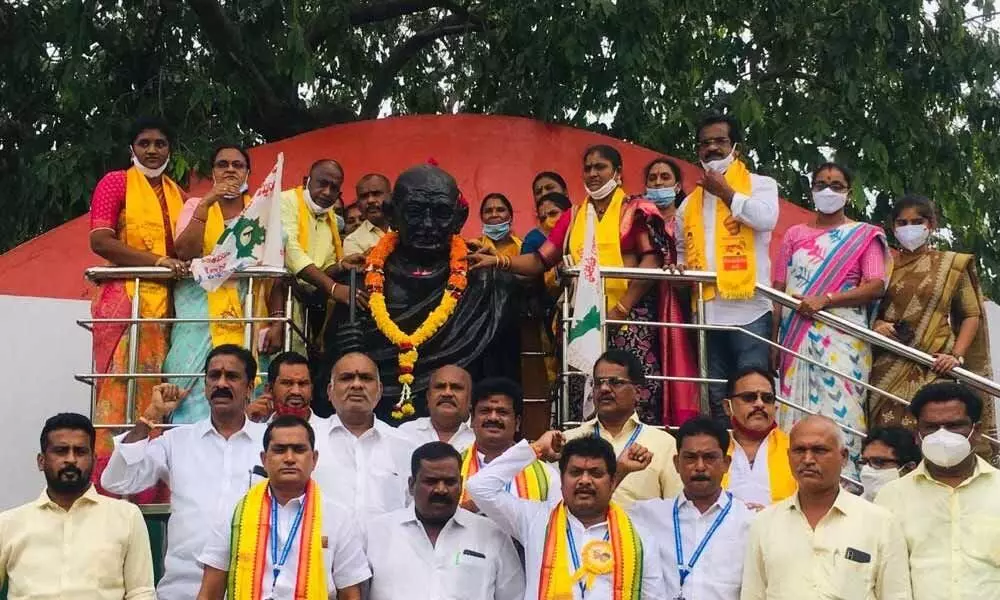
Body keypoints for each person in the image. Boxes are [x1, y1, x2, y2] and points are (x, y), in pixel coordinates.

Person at [471, 145, 682, 424]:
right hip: (583, 322)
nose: (593, 173)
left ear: (617, 173)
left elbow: (652, 261)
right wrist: (499, 260)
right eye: (588, 168)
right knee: (582, 397)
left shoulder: (635, 210)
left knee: (630, 395)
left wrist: (620, 309)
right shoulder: (573, 216)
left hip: (631, 321)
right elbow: (539, 260)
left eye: (601, 167)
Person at [328, 165, 520, 421]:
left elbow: (501, 383)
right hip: (375, 425)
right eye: (415, 212)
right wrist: (344, 349)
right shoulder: (360, 283)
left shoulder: (487, 284)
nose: (428, 224)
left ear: (459, 218)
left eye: (441, 213)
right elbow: (325, 383)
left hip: (459, 430)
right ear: (392, 215)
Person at [100, 344, 267, 600]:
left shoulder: (271, 444)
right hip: (183, 587)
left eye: (231, 376)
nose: (221, 383)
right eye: (214, 376)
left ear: (249, 388)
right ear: (205, 385)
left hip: (253, 587)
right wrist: (151, 414)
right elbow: (118, 481)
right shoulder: (177, 441)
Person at [773, 162, 890, 475]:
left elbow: (876, 285)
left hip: (843, 337)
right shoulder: (794, 235)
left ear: (848, 193)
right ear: (811, 190)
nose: (828, 190)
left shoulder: (863, 235)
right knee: (793, 412)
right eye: (821, 184)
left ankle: (847, 481)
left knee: (845, 411)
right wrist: (774, 344)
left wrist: (825, 300)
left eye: (836, 185)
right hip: (794, 336)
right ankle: (793, 481)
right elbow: (779, 290)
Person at [466, 432, 668, 599]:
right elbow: (479, 487)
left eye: (596, 473)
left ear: (613, 482)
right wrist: (536, 448)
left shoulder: (639, 537)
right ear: (561, 481)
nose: (585, 481)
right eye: (575, 472)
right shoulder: (535, 520)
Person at [88, 116, 187, 455]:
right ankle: (107, 471)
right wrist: (157, 262)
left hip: (169, 307)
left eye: (160, 144)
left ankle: (150, 476)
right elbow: (100, 241)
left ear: (169, 150)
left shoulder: (179, 195)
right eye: (144, 143)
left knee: (158, 387)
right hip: (125, 300)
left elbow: (188, 247)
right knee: (120, 387)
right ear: (132, 148)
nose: (152, 150)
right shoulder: (115, 183)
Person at [675, 113, 779, 427]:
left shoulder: (760, 185)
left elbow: (766, 219)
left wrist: (726, 193)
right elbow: (682, 249)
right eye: (705, 143)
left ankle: (758, 459)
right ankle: (726, 460)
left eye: (720, 141)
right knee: (716, 400)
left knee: (753, 393)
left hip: (750, 311)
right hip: (707, 314)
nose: (712, 149)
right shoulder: (688, 204)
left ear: (736, 146)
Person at [165, 145, 283, 422]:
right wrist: (207, 203)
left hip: (249, 320)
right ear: (213, 172)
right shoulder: (195, 205)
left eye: (238, 165)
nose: (230, 169)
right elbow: (185, 252)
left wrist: (277, 321)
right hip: (197, 320)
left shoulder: (262, 211)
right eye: (222, 164)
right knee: (190, 388)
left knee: (243, 386)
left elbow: (276, 272)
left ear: (248, 173)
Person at [196, 416, 370, 600]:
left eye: (299, 450)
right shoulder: (235, 512)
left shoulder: (338, 517)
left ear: (314, 459)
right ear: (264, 459)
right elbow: (210, 592)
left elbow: (350, 594)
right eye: (279, 450)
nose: (289, 458)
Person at [870, 195, 996, 449]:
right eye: (902, 222)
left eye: (917, 221)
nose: (909, 228)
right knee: (889, 440)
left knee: (937, 436)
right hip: (887, 364)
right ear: (893, 228)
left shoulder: (949, 264)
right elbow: (867, 309)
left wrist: (957, 356)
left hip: (935, 366)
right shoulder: (882, 266)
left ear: (931, 224)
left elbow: (971, 313)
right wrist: (876, 325)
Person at [741, 415, 911, 600]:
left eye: (819, 450)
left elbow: (896, 595)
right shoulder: (765, 523)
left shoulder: (880, 523)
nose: (807, 459)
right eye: (799, 450)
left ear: (843, 457)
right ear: (788, 456)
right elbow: (753, 594)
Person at [0, 413, 154, 600]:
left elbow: (141, 592)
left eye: (80, 452)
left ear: (94, 460)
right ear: (41, 461)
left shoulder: (126, 516)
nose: (71, 459)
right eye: (61, 451)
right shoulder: (8, 524)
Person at [875, 382, 1000, 599]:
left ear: (976, 431)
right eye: (931, 427)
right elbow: (883, 576)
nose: (942, 436)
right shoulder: (891, 496)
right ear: (917, 433)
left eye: (954, 426)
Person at [366, 442, 525, 600]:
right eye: (431, 481)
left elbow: (514, 595)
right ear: (412, 485)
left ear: (461, 484)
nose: (441, 490)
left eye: (449, 482)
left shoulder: (492, 534)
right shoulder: (377, 533)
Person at [624, 416, 754, 600]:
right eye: (691, 458)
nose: (700, 467)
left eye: (709, 457)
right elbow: (594, 513)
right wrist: (621, 469)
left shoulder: (749, 521)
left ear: (726, 463)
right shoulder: (647, 515)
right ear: (677, 463)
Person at [563, 350, 683, 507]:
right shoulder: (571, 440)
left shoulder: (663, 444)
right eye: (599, 383)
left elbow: (678, 508)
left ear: (638, 392)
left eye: (615, 382)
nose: (604, 389)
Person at [314, 352, 415, 521]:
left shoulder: (405, 445)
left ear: (380, 390)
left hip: (387, 547)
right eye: (346, 378)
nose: (356, 385)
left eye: (366, 378)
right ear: (330, 391)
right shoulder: (310, 441)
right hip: (321, 546)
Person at [279, 159, 362, 354]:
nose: (326, 192)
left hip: (307, 305)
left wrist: (341, 266)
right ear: (307, 181)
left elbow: (323, 268)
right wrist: (333, 287)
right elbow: (291, 252)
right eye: (322, 183)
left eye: (333, 188)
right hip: (278, 300)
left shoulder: (331, 217)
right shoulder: (285, 201)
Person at [459, 377, 560, 507]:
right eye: (485, 411)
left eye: (502, 412)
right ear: (472, 419)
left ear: (517, 423)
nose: (493, 417)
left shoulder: (547, 475)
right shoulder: (453, 467)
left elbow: (556, 523)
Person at [720, 367, 795, 507]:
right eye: (749, 397)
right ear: (727, 406)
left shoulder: (795, 449)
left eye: (767, 398)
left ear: (775, 407)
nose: (760, 404)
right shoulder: (715, 450)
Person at [397, 364, 475, 452]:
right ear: (428, 397)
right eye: (440, 387)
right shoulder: (406, 433)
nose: (447, 393)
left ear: (470, 399)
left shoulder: (481, 436)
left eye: (456, 388)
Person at [246, 351, 329, 428]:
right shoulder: (255, 428)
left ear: (312, 390)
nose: (296, 391)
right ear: (269, 390)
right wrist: (247, 422)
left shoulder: (328, 431)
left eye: (303, 383)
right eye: (287, 383)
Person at [858, 426, 920, 501]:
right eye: (864, 462)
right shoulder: (852, 508)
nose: (866, 470)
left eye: (878, 462)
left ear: (908, 468)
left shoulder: (922, 508)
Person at [343, 173, 391, 256]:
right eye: (364, 196)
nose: (370, 200)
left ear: (391, 197)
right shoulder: (353, 241)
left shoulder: (407, 226)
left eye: (376, 194)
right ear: (358, 204)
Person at [475, 193, 522, 258]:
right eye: (488, 211)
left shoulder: (522, 247)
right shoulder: (475, 248)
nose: (494, 215)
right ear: (482, 218)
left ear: (510, 217)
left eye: (500, 210)